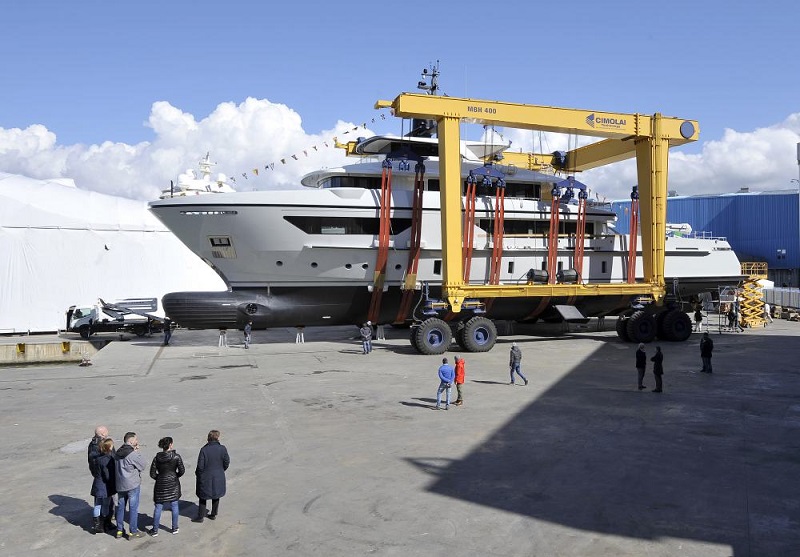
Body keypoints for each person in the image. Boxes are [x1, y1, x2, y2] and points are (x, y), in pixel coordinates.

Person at [149, 437, 185, 536]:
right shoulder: (176, 456)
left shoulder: (157, 458)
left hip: (160, 484)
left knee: (158, 507)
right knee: (174, 505)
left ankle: (155, 530)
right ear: (170, 445)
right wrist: (175, 476)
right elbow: (182, 470)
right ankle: (174, 528)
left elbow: (152, 474)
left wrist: (159, 478)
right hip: (173, 483)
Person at [115, 432, 147, 539]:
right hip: (132, 484)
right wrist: (137, 452)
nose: (137, 441)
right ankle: (133, 531)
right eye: (136, 439)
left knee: (120, 507)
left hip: (120, 484)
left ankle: (119, 530)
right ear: (131, 441)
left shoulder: (118, 452)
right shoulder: (132, 454)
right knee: (133, 508)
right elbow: (142, 465)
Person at [194, 430, 230, 523]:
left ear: (208, 438)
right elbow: (226, 462)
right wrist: (221, 470)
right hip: (218, 475)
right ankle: (213, 514)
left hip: (206, 476)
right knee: (216, 494)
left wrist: (198, 474)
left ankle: (200, 516)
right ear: (217, 438)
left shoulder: (204, 450)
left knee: (202, 496)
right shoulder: (222, 448)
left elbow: (200, 466)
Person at [90, 437, 116, 534]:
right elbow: (107, 475)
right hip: (105, 486)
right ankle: (105, 522)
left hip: (97, 484)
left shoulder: (97, 458)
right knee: (106, 504)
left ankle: (97, 524)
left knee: (97, 504)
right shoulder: (107, 459)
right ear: (109, 448)